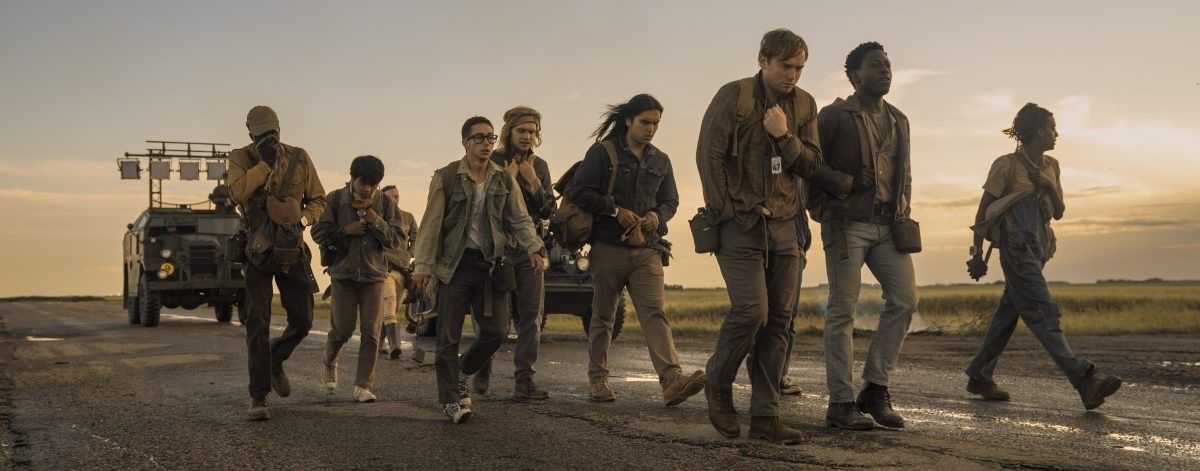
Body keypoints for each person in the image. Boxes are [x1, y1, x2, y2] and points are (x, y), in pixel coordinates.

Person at [696, 29, 846, 444]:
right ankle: (718, 383)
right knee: (752, 312)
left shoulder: (804, 104)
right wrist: (726, 211)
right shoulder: (735, 96)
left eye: (799, 68)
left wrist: (784, 135)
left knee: (779, 320)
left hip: (786, 226)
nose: (792, 75)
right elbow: (708, 155)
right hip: (741, 224)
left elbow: (812, 164)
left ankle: (765, 415)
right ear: (763, 60)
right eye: (785, 66)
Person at [965, 103, 1122, 409]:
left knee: (1007, 315)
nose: (1056, 134)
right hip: (1016, 249)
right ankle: (1084, 381)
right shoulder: (1006, 165)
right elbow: (983, 214)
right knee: (1043, 312)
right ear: (1038, 132)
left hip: (1040, 249)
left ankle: (980, 376)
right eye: (1052, 128)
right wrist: (977, 254)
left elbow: (1059, 212)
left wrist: (1048, 184)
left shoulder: (1052, 166)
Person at [566, 94, 707, 407]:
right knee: (603, 316)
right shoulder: (602, 152)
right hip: (607, 248)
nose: (651, 129)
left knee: (655, 313)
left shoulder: (661, 160)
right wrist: (614, 210)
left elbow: (671, 201)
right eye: (645, 122)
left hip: (647, 249)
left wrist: (658, 215)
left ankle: (672, 381)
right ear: (629, 120)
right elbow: (578, 192)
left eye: (656, 124)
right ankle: (598, 379)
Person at [808, 42, 919, 431]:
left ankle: (874, 388)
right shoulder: (834, 116)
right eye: (876, 65)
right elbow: (808, 166)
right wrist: (845, 187)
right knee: (842, 310)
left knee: (905, 300)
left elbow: (904, 173)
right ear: (855, 76)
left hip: (888, 225)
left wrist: (903, 211)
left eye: (888, 64)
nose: (886, 70)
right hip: (846, 224)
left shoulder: (899, 119)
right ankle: (840, 403)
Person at [412, 116, 546, 424]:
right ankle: (450, 400)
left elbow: (519, 218)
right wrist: (423, 266)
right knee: (447, 337)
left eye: (490, 138)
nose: (486, 143)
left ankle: (463, 371)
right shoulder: (446, 177)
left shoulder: (503, 179)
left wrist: (534, 247)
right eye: (479, 138)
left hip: (490, 266)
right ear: (465, 142)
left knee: (496, 331)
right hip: (455, 266)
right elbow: (431, 223)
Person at [226, 105, 327, 420]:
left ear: (280, 128)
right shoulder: (240, 158)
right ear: (250, 134)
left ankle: (275, 358)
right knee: (258, 322)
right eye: (261, 135)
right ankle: (258, 397)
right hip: (257, 248)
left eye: (272, 133)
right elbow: (236, 193)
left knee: (303, 319)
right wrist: (264, 164)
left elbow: (319, 199)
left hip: (291, 245)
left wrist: (302, 219)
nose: (268, 138)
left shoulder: (299, 157)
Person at [472, 106, 554, 400]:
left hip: (530, 248)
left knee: (532, 316)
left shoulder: (540, 165)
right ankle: (483, 364)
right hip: (498, 249)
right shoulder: (491, 160)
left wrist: (533, 181)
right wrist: (506, 179)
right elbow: (480, 204)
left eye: (532, 131)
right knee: (495, 317)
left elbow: (549, 209)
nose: (527, 136)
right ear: (509, 132)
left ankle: (524, 380)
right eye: (522, 131)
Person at [312, 155, 403, 403]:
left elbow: (396, 240)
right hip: (343, 275)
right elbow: (318, 232)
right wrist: (345, 231)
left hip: (374, 276)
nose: (367, 188)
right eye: (363, 182)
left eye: (373, 184)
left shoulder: (385, 203)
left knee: (371, 333)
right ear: (352, 177)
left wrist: (375, 220)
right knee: (342, 330)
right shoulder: (334, 199)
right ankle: (329, 360)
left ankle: (363, 385)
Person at [379, 185, 418, 360]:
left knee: (392, 310)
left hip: (402, 269)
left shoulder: (408, 217)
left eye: (397, 196)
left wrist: (410, 253)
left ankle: (379, 343)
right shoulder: (378, 217)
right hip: (384, 268)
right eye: (390, 197)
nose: (395, 199)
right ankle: (395, 345)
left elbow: (417, 238)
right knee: (389, 302)